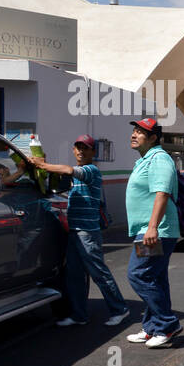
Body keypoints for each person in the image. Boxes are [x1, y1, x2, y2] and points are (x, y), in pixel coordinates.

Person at [30, 135, 130, 327]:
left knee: (99, 273)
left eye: (86, 148)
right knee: (74, 276)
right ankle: (79, 315)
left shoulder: (90, 171)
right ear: (73, 150)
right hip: (75, 232)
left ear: (93, 152)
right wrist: (43, 165)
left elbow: (67, 169)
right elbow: (58, 182)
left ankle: (120, 309)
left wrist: (42, 164)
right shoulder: (77, 176)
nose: (81, 151)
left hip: (87, 233)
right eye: (78, 147)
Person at [124, 117, 182, 349]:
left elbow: (162, 193)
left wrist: (152, 227)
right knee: (155, 278)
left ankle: (167, 324)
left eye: (140, 132)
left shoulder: (159, 159)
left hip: (155, 231)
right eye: (134, 131)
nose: (134, 135)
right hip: (149, 230)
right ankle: (152, 328)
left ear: (153, 138)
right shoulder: (146, 160)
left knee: (138, 275)